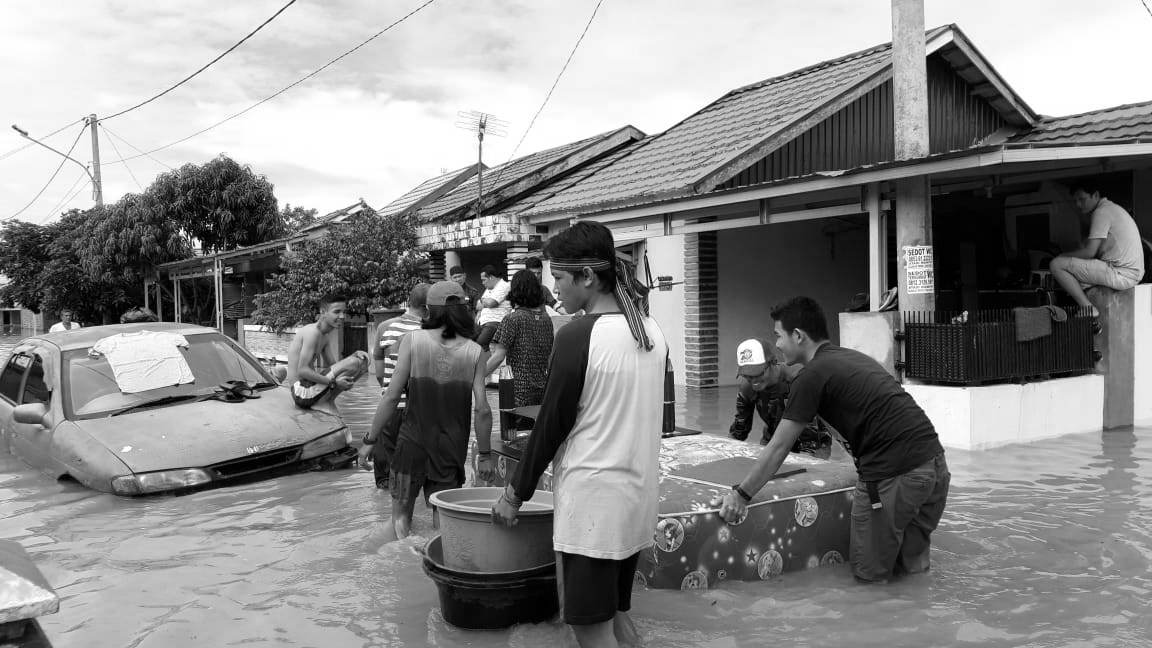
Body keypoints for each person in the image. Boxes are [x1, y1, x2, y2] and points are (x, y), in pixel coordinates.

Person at [492, 222, 668, 648]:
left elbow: (550, 426)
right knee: (619, 619)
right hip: (636, 500)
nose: (555, 291)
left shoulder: (578, 335)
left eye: (560, 278)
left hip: (593, 509)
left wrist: (514, 494)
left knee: (590, 631)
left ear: (588, 276)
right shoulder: (650, 332)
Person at [719, 296, 949, 584]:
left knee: (869, 582)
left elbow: (779, 446)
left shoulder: (811, 377)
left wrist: (740, 495)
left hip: (894, 475)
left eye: (778, 335)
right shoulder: (849, 358)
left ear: (798, 336)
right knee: (914, 568)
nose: (776, 344)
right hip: (934, 466)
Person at [358, 281, 495, 539]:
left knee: (400, 521)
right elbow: (483, 411)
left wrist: (370, 440)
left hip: (412, 444)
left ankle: (402, 565)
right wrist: (485, 455)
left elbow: (390, 397)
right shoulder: (475, 352)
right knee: (442, 527)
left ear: (429, 311)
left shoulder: (413, 340)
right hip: (451, 450)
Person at [1049, 183, 1145, 325]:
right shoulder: (1112, 209)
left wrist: (1062, 255)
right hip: (1132, 272)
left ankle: (1088, 308)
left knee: (1056, 265)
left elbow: (1089, 252)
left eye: (1082, 199)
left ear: (1095, 195)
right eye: (1076, 201)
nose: (1078, 205)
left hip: (1122, 273)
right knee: (1072, 277)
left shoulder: (1101, 212)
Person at [368, 283, 429, 490]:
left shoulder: (385, 327)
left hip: (390, 409)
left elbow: (378, 373)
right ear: (428, 308)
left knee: (387, 481)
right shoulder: (430, 332)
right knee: (416, 478)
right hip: (419, 412)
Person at [728, 337, 833, 456]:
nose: (753, 380)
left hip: (813, 442)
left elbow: (809, 435)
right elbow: (739, 430)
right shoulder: (747, 388)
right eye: (747, 375)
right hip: (772, 439)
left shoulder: (797, 380)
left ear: (773, 362)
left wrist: (806, 461)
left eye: (758, 373)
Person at [485, 270, 555, 415]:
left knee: (516, 435)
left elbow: (498, 356)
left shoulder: (513, 319)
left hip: (518, 391)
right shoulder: (546, 319)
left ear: (515, 291)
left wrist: (477, 376)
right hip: (543, 389)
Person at [285, 294, 368, 410]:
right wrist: (334, 383)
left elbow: (333, 366)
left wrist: (354, 355)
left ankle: (328, 400)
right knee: (354, 363)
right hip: (300, 392)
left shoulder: (324, 336)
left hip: (308, 387)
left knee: (362, 362)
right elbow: (303, 370)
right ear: (323, 312)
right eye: (337, 312)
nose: (342, 316)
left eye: (344, 312)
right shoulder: (312, 333)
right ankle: (325, 401)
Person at [474, 265, 511, 352]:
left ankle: (485, 365)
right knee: (469, 340)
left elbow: (491, 303)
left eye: (484, 280)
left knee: (480, 344)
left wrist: (483, 301)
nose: (482, 283)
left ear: (491, 277)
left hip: (495, 322)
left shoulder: (504, 286)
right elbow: (478, 306)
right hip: (483, 322)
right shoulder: (489, 288)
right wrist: (484, 302)